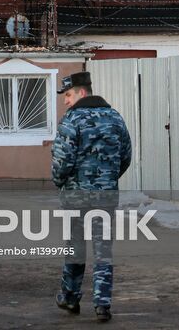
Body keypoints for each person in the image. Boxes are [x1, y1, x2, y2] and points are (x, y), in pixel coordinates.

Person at [52, 71, 132, 324]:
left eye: (68, 95)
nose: (65, 101)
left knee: (75, 248)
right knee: (103, 251)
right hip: (105, 197)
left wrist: (61, 182)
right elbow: (126, 155)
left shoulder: (71, 120)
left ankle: (70, 297)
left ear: (81, 92)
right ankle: (102, 304)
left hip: (76, 198)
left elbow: (61, 161)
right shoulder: (115, 118)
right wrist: (108, 179)